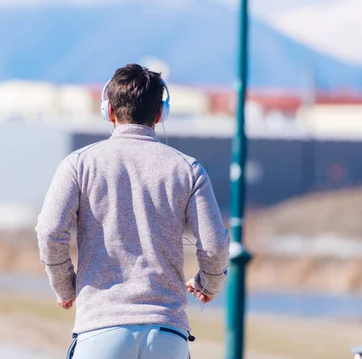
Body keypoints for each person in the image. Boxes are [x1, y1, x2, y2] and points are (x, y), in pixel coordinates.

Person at [35, 63, 230, 359]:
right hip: (167, 332)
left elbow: (50, 232)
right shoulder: (187, 169)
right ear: (159, 113)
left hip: (100, 329)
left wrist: (66, 287)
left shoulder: (79, 164)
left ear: (109, 111)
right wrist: (208, 283)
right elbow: (215, 245)